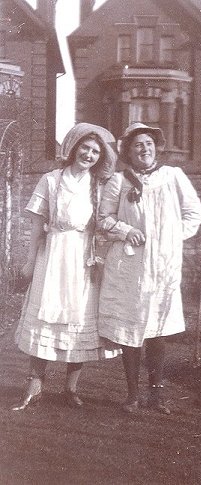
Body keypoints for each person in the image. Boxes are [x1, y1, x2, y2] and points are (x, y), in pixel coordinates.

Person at [97, 122, 201, 414]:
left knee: (157, 329)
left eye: (148, 144)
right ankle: (132, 395)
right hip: (129, 265)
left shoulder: (173, 176)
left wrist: (168, 238)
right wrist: (125, 230)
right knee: (131, 330)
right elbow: (103, 219)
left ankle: (156, 396)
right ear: (128, 151)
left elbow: (194, 214)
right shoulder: (119, 181)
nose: (144, 149)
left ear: (156, 147)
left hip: (162, 265)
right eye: (137, 145)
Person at [12, 123, 119, 411]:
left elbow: (108, 225)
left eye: (96, 151)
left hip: (83, 259)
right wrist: (30, 261)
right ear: (74, 147)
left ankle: (71, 389)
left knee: (79, 320)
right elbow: (36, 228)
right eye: (85, 147)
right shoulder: (51, 179)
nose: (89, 154)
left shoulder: (99, 185)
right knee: (44, 317)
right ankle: (35, 385)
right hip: (53, 255)